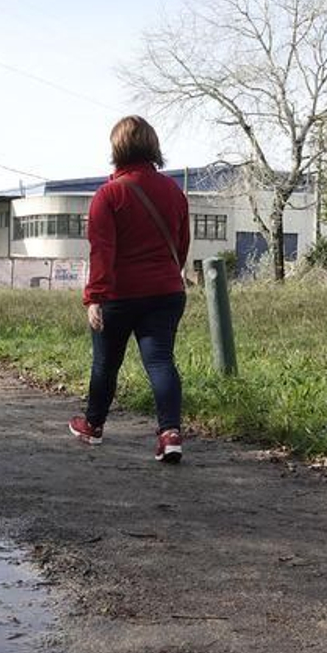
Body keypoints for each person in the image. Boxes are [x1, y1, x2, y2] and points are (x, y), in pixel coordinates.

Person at [69, 115, 190, 463]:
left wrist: (94, 297)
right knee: (161, 361)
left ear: (117, 148)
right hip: (166, 292)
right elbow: (181, 245)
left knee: (106, 364)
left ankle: (92, 426)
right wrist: (169, 275)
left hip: (119, 296)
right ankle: (170, 434)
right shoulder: (174, 192)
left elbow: (101, 252)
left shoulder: (109, 194)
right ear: (153, 146)